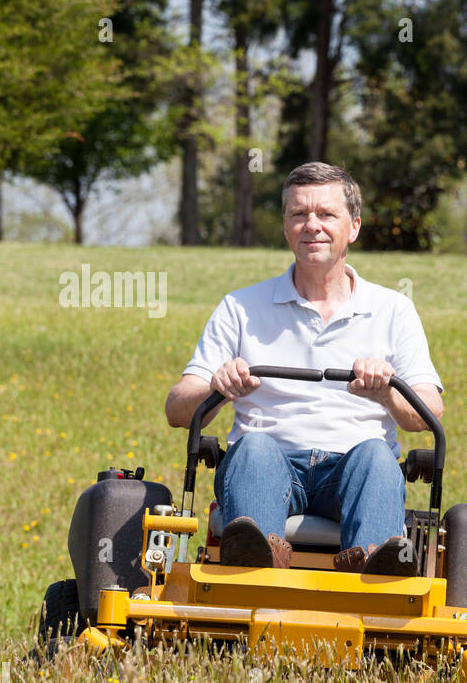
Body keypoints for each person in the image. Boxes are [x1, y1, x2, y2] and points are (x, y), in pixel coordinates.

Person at [163, 161, 445, 574]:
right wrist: (218, 390)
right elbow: (176, 409)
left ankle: (372, 567)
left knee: (374, 456)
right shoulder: (240, 307)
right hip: (269, 467)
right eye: (299, 214)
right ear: (285, 226)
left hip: (354, 468)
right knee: (254, 447)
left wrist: (386, 391)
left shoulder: (393, 310)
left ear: (354, 227)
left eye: (326, 214)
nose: (312, 225)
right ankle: (259, 556)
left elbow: (430, 412)